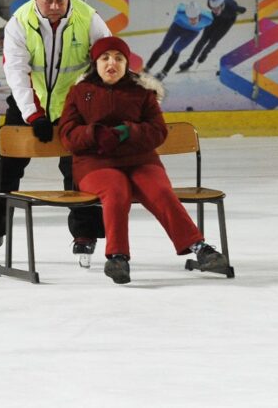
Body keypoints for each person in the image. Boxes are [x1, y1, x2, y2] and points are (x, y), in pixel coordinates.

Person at [0, 0, 111, 263]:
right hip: (30, 105)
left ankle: (85, 233)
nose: (54, 5)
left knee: (82, 168)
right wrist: (33, 115)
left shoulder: (88, 18)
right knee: (3, 169)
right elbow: (16, 71)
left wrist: (85, 102)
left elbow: (106, 59)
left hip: (75, 106)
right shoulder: (20, 21)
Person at [58, 36, 229, 284]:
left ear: (127, 63)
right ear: (95, 63)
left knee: (160, 191)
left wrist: (129, 131)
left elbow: (158, 131)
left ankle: (199, 248)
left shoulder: (141, 92)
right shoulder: (79, 92)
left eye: (119, 58)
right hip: (96, 164)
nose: (111, 63)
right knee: (115, 192)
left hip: (140, 160)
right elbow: (67, 134)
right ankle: (117, 257)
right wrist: (94, 134)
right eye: (105, 58)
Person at [178, 0, 247, 73]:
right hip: (215, 19)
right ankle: (190, 61)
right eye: (213, 8)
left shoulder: (232, 7)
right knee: (203, 39)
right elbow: (214, 11)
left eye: (217, 8)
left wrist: (205, 52)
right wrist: (215, 11)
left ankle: (205, 53)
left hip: (227, 21)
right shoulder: (210, 4)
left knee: (214, 40)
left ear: (222, 5)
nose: (215, 10)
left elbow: (244, 9)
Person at [144, 1, 212, 80]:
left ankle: (164, 72)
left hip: (191, 33)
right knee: (163, 48)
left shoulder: (208, 19)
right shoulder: (180, 14)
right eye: (190, 18)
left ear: (199, 15)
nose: (192, 21)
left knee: (176, 50)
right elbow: (180, 6)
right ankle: (147, 67)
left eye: (194, 18)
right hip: (177, 28)